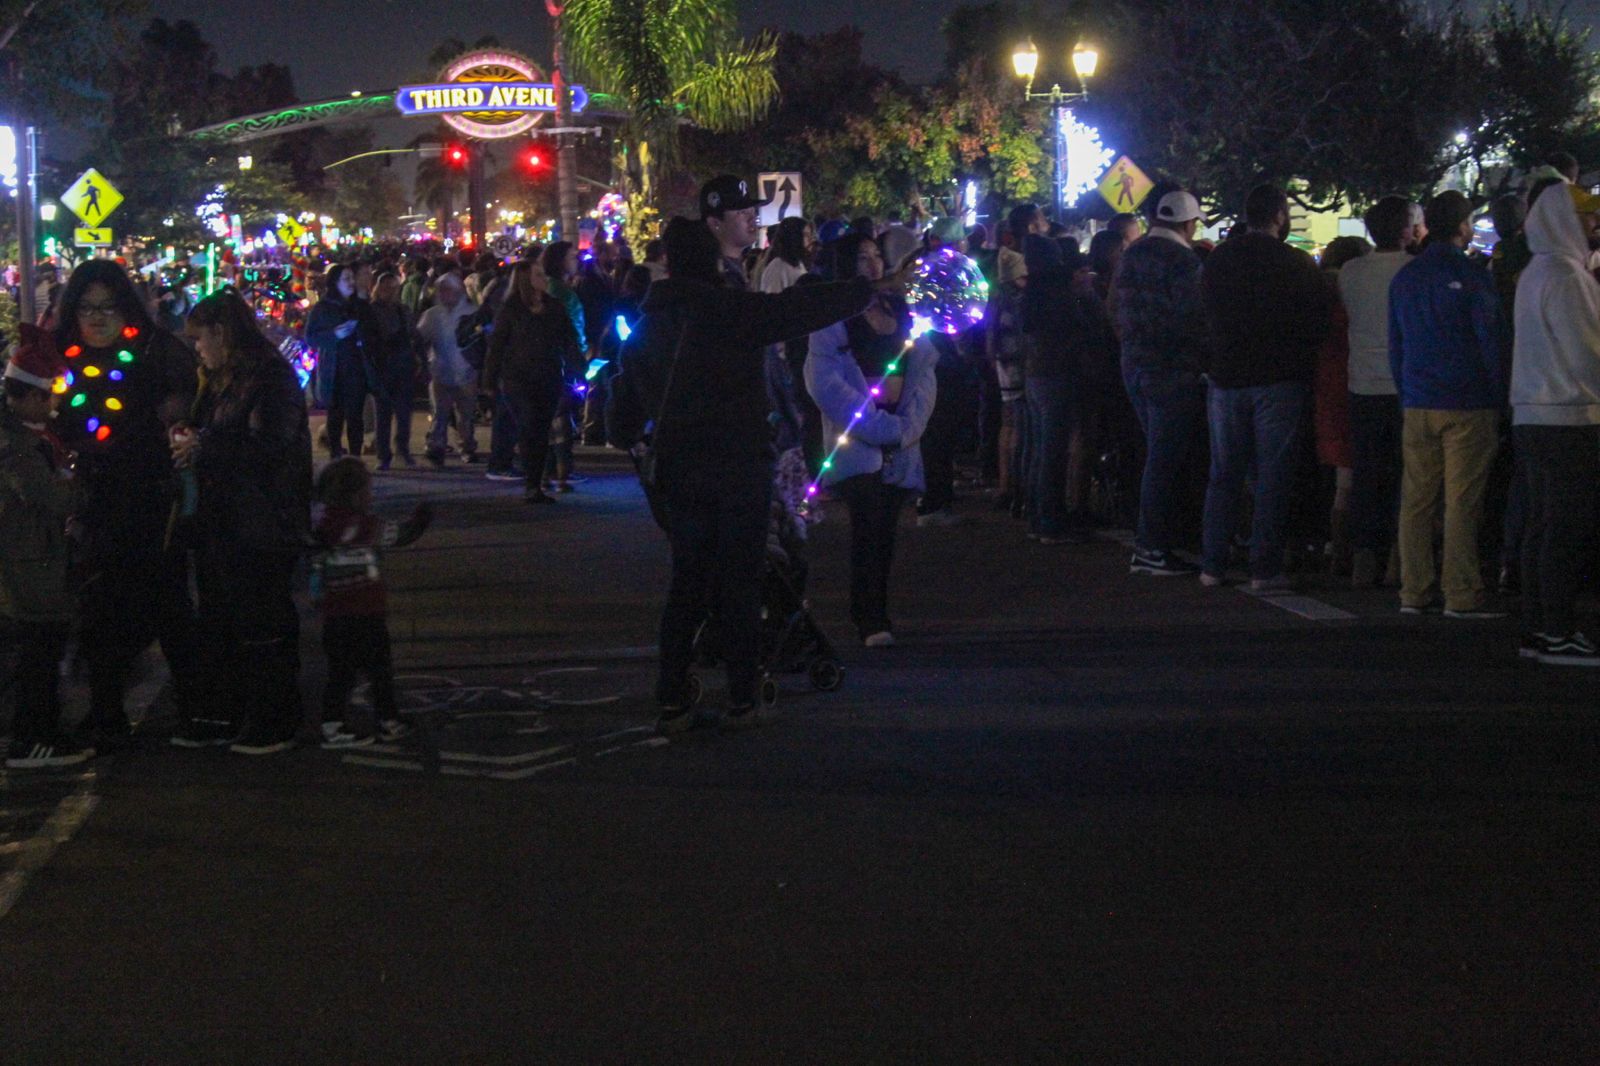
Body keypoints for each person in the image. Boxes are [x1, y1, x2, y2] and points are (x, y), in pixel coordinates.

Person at [624, 217, 886, 733]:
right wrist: (860, 291)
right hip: (737, 461)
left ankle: (673, 694)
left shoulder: (648, 325)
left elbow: (627, 406)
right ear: (711, 260)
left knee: (688, 581)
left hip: (679, 465)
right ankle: (742, 694)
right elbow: (793, 310)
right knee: (740, 580)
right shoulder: (727, 310)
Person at [53, 259, 203, 746]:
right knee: (98, 610)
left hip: (150, 499)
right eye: (86, 307)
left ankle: (199, 708)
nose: (96, 318)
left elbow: (187, 407)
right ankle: (105, 711)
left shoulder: (156, 352)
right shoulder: (58, 356)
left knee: (167, 603)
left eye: (108, 307)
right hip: (89, 502)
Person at [175, 291, 313, 754]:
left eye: (200, 338)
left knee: (262, 618)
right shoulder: (221, 380)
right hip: (224, 518)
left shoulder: (268, 377)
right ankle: (234, 710)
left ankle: (274, 716)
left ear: (221, 333)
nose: (197, 348)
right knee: (225, 617)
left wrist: (204, 445)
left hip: (260, 520)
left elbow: (269, 446)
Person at [1197, 184, 1331, 590]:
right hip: (1278, 378)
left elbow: (1201, 315)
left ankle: (1213, 563)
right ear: (1278, 216)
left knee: (1224, 474)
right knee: (1272, 473)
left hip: (1226, 378)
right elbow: (1316, 322)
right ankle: (1264, 566)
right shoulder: (1296, 263)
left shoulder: (1219, 261)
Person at [806, 233, 936, 645]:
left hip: (900, 437)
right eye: (862, 258)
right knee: (867, 523)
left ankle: (876, 608)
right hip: (858, 438)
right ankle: (869, 616)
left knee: (887, 531)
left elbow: (924, 371)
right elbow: (825, 384)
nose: (874, 264)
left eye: (877, 255)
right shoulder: (832, 317)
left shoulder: (902, 310)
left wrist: (907, 427)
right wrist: (877, 429)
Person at [1388, 190, 1504, 618]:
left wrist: (1406, 393)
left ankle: (1414, 589)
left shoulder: (1407, 277)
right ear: (1462, 226)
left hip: (1418, 400)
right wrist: (1497, 395)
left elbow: (1396, 344)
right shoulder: (1473, 276)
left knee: (1416, 500)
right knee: (1461, 501)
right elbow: (1489, 340)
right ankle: (1461, 592)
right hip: (1467, 400)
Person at [1510, 181, 1600, 665]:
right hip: (1568, 415)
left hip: (1533, 414)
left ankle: (1539, 627)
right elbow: (1588, 355)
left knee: (1543, 526)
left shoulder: (1535, 272)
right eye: (1585, 216)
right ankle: (1560, 629)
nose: (1592, 223)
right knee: (1565, 528)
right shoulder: (1566, 276)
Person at [1, 325, 91, 768]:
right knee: (37, 650)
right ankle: (31, 738)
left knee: (44, 648)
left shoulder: (30, 437)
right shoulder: (15, 446)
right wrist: (75, 484)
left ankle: (44, 731)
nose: (54, 405)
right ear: (27, 397)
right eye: (48, 397)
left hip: (37, 556)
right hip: (27, 560)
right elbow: (51, 497)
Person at [1115, 189, 1209, 576]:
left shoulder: (1132, 254)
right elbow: (1193, 317)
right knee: (1165, 458)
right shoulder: (1184, 261)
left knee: (1156, 452)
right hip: (1170, 367)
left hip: (1134, 362)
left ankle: (1155, 541)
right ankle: (1152, 546)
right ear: (1187, 224)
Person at [311, 457, 431, 746]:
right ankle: (386, 719)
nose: (371, 495)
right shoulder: (368, 526)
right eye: (368, 490)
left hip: (336, 615)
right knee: (379, 669)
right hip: (367, 612)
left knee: (340, 672)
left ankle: (333, 723)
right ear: (356, 495)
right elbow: (401, 535)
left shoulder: (323, 527)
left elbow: (316, 568)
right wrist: (421, 518)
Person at [1339, 196, 1420, 587]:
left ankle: (1364, 556)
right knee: (1406, 475)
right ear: (1405, 230)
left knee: (1367, 474)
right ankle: (1397, 559)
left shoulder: (1350, 272)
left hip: (1361, 384)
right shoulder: (1413, 271)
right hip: (1404, 385)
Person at [482, 259, 579, 504]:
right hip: (518, 379)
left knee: (541, 429)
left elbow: (568, 339)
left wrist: (577, 367)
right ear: (526, 279)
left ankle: (536, 481)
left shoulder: (554, 307)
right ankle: (531, 483)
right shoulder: (512, 309)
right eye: (538, 275)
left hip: (548, 376)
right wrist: (489, 381)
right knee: (528, 426)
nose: (544, 278)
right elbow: (498, 346)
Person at [1313, 236, 1371, 577]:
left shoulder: (1317, 293)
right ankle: (1343, 550)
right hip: (1350, 382)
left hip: (1324, 385)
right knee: (1348, 477)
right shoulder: (1350, 297)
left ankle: (1332, 546)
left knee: (1336, 474)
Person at [307, 264, 375, 460]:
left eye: (352, 278)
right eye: (346, 279)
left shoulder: (360, 306)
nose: (351, 283)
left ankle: (355, 457)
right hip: (333, 370)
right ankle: (335, 454)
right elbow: (311, 337)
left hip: (356, 368)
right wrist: (334, 334)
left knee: (355, 417)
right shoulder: (323, 308)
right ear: (335, 283)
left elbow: (373, 333)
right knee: (335, 416)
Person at [416, 272, 480, 467]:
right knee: (439, 412)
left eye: (448, 290)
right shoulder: (432, 315)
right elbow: (420, 337)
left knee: (466, 415)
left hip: (466, 372)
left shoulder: (471, 313)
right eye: (441, 290)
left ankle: (467, 446)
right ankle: (437, 446)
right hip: (440, 371)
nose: (444, 294)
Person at [540, 242, 586, 492]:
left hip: (549, 361)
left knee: (549, 419)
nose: (576, 260)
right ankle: (561, 474)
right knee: (561, 419)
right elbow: (572, 329)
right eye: (572, 257)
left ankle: (547, 474)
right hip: (565, 362)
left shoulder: (548, 288)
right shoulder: (562, 294)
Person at [368, 271, 417, 470]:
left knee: (404, 413)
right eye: (385, 287)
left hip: (403, 365)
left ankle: (402, 449)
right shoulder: (372, 311)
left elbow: (413, 334)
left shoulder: (402, 310)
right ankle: (383, 454)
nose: (389, 291)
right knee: (383, 413)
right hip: (383, 366)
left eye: (393, 287)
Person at [700, 174, 767, 290]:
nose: (752, 218)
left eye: (753, 211)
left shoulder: (736, 267)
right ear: (715, 223)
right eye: (742, 212)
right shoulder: (712, 278)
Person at [758, 216, 813, 293]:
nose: (811, 239)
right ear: (794, 237)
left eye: (810, 235)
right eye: (806, 235)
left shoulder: (798, 264)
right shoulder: (777, 268)